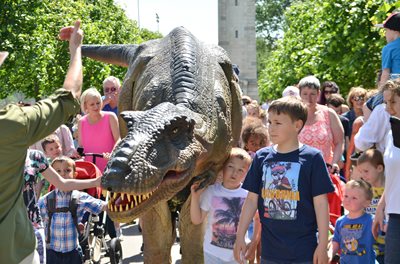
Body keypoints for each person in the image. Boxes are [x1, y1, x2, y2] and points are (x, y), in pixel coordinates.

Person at [0, 21, 102, 264]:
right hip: (14, 252)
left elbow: (63, 181)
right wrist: (75, 48)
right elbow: (69, 96)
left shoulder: (34, 156)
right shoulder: (12, 124)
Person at [234, 96, 334, 264]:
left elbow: (321, 204)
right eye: (270, 122)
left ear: (297, 125)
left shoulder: (313, 158)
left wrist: (323, 245)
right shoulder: (261, 157)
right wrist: (239, 237)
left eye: (278, 123)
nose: (271, 128)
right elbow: (251, 200)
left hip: (304, 251)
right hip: (270, 252)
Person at [38, 157, 107, 264]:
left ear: (75, 175)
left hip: (73, 253)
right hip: (51, 252)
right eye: (58, 171)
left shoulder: (80, 197)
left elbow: (101, 206)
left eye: (67, 170)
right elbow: (36, 221)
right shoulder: (45, 200)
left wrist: (116, 202)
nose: (63, 174)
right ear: (52, 177)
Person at [190, 147, 253, 264]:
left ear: (246, 174)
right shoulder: (211, 191)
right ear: (222, 168)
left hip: (237, 255)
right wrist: (195, 197)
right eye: (230, 167)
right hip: (212, 253)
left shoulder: (248, 196)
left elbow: (258, 221)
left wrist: (253, 243)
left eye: (241, 170)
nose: (234, 173)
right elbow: (196, 219)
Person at [373, 78, 400, 264]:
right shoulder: (392, 132)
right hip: (394, 214)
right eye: (386, 102)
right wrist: (381, 206)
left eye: (393, 101)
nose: (388, 107)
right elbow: (393, 176)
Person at [297, 75, 344, 173]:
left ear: (318, 93)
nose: (309, 98)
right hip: (300, 170)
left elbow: (339, 141)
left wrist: (334, 162)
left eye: (312, 94)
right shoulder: (293, 115)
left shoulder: (329, 113)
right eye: (305, 94)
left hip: (325, 170)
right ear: (300, 94)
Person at [330, 180, 375, 263]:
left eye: (354, 198)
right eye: (346, 196)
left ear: (366, 203)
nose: (348, 200)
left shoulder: (371, 221)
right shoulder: (340, 221)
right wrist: (329, 255)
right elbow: (336, 241)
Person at [77, 87, 120, 172]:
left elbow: (118, 139)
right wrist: (77, 153)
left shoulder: (110, 117)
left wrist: (111, 154)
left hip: (109, 164)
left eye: (98, 103)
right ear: (85, 106)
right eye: (92, 104)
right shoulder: (81, 122)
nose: (96, 106)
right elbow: (81, 146)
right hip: (90, 167)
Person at [357, 149, 386, 263]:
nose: (363, 176)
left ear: (379, 168)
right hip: (370, 244)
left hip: (388, 242)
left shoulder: (389, 190)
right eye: (361, 172)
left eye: (366, 171)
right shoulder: (364, 191)